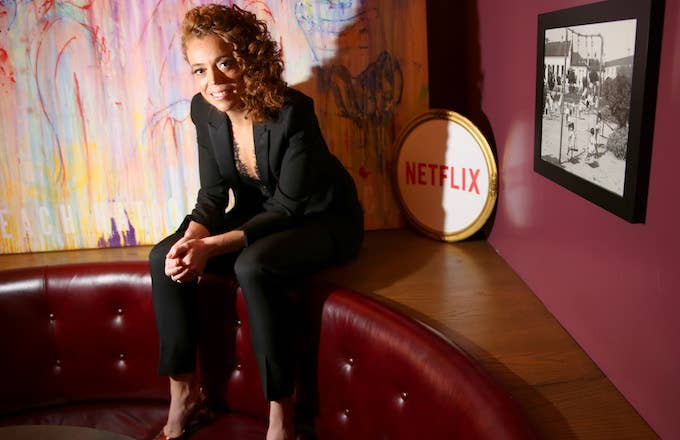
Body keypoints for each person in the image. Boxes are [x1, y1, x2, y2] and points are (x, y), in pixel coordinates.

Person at [148, 4, 364, 440]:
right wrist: (192, 240)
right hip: (261, 214)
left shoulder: (292, 111)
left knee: (252, 266)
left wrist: (211, 248)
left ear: (249, 57)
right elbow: (212, 196)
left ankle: (281, 414)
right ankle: (184, 392)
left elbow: (287, 206)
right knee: (161, 258)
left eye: (225, 63)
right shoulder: (203, 110)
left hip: (320, 218)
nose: (214, 82)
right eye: (200, 70)